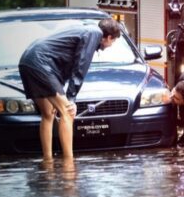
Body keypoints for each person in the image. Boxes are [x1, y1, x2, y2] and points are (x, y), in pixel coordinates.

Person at [18, 18, 121, 159]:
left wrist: (63, 92)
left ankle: (48, 161)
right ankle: (69, 163)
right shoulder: (94, 33)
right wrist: (71, 98)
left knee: (48, 113)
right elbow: (81, 65)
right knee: (68, 111)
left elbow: (63, 63)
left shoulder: (86, 29)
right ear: (109, 37)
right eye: (113, 41)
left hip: (28, 60)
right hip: (40, 62)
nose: (111, 45)